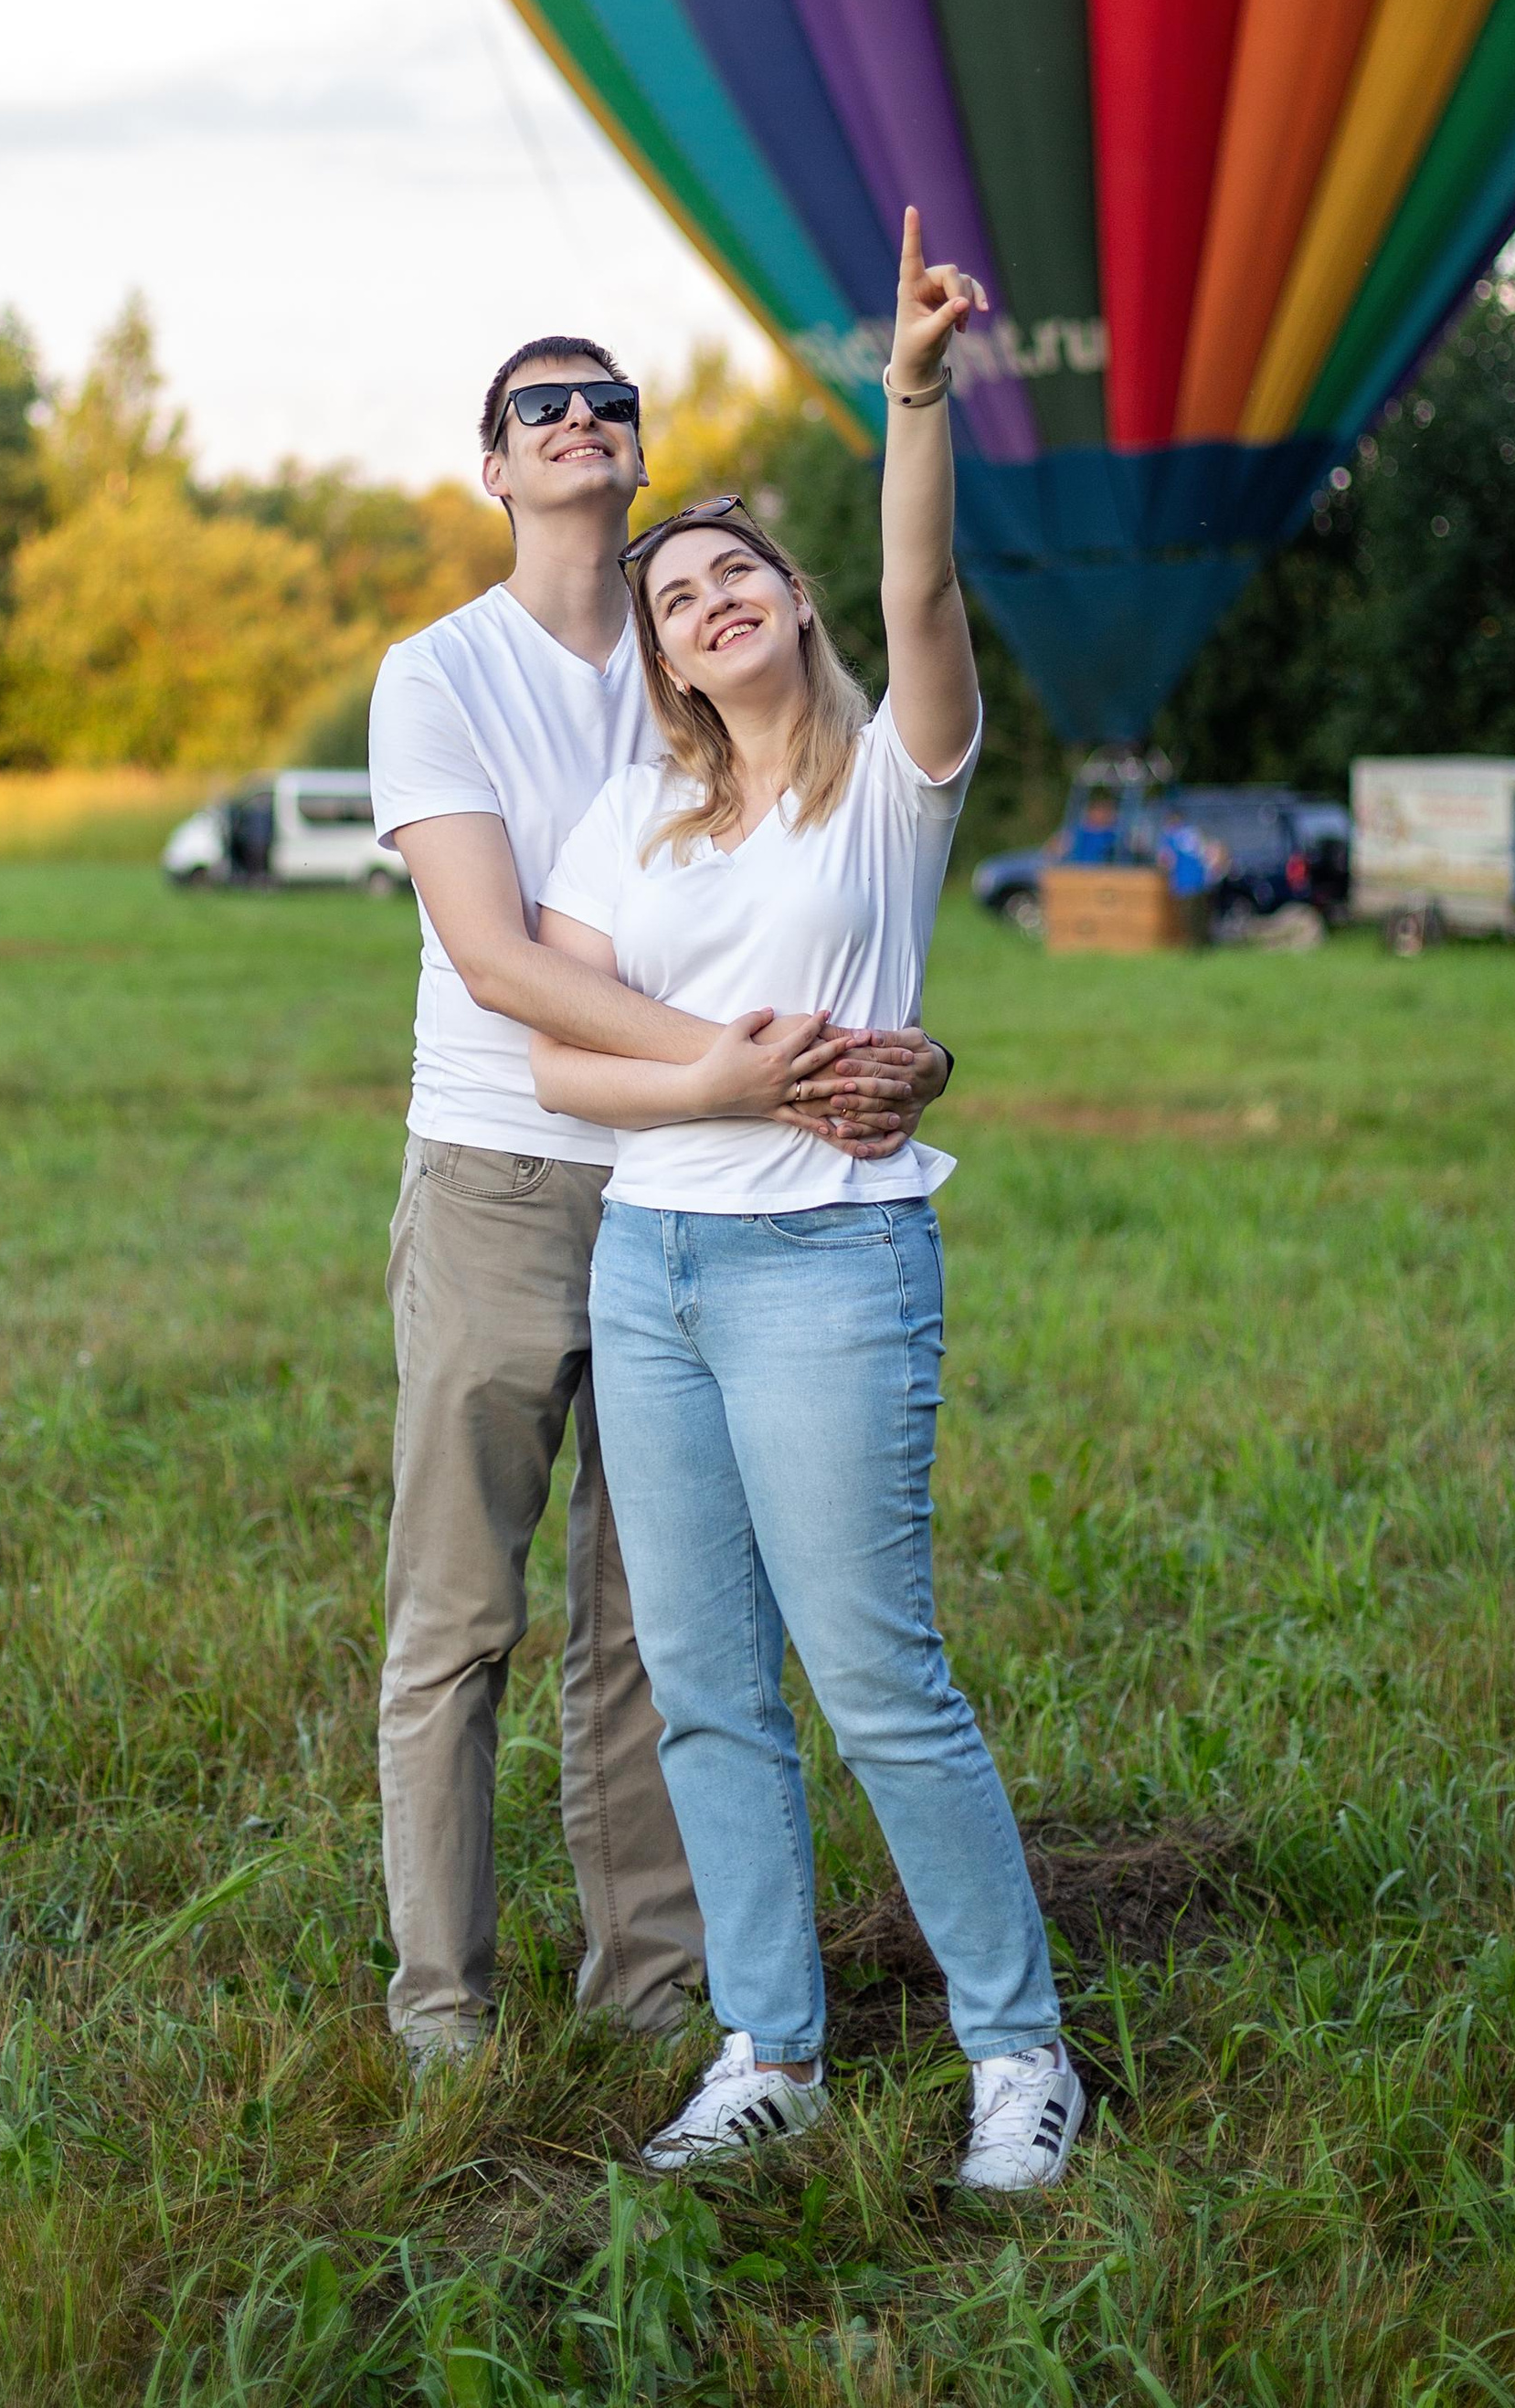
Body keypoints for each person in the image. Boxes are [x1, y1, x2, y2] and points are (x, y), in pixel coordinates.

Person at [527, 215, 1082, 2191]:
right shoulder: (636, 821)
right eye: (670, 595)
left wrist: (910, 397)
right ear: (659, 655)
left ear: (790, 604)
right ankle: (771, 2045)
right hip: (651, 1261)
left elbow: (924, 581)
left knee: (874, 1679)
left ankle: (1014, 2052)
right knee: (701, 1690)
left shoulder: (895, 779)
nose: (701, 602)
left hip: (826, 1266)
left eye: (733, 571)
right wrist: (717, 1079)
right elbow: (556, 1063)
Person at [367, 339, 953, 2075]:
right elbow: (494, 962)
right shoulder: (440, 672)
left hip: (703, 1204)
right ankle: (444, 2012)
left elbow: (834, 902)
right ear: (495, 465)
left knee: (649, 1628)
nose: (579, 420)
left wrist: (899, 1058)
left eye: (607, 400)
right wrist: (740, 1067)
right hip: (498, 1175)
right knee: (461, 1615)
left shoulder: (700, 654)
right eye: (540, 404)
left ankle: (653, 1992)